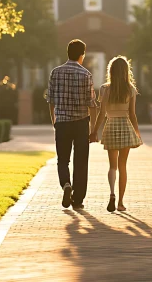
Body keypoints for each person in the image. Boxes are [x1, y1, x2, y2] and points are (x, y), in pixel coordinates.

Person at [47, 39, 98, 210]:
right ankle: (78, 200)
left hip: (62, 122)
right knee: (81, 162)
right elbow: (91, 103)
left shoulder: (55, 72)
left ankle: (66, 184)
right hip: (81, 123)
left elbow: (51, 100)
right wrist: (93, 130)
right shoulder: (86, 75)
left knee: (63, 160)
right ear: (82, 54)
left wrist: (54, 120)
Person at [91, 56, 143, 213]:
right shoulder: (131, 89)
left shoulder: (105, 89)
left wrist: (94, 131)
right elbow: (132, 114)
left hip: (111, 126)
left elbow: (101, 113)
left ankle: (112, 193)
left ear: (111, 71)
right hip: (126, 126)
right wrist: (137, 132)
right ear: (126, 71)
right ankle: (120, 202)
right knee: (123, 166)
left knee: (112, 166)